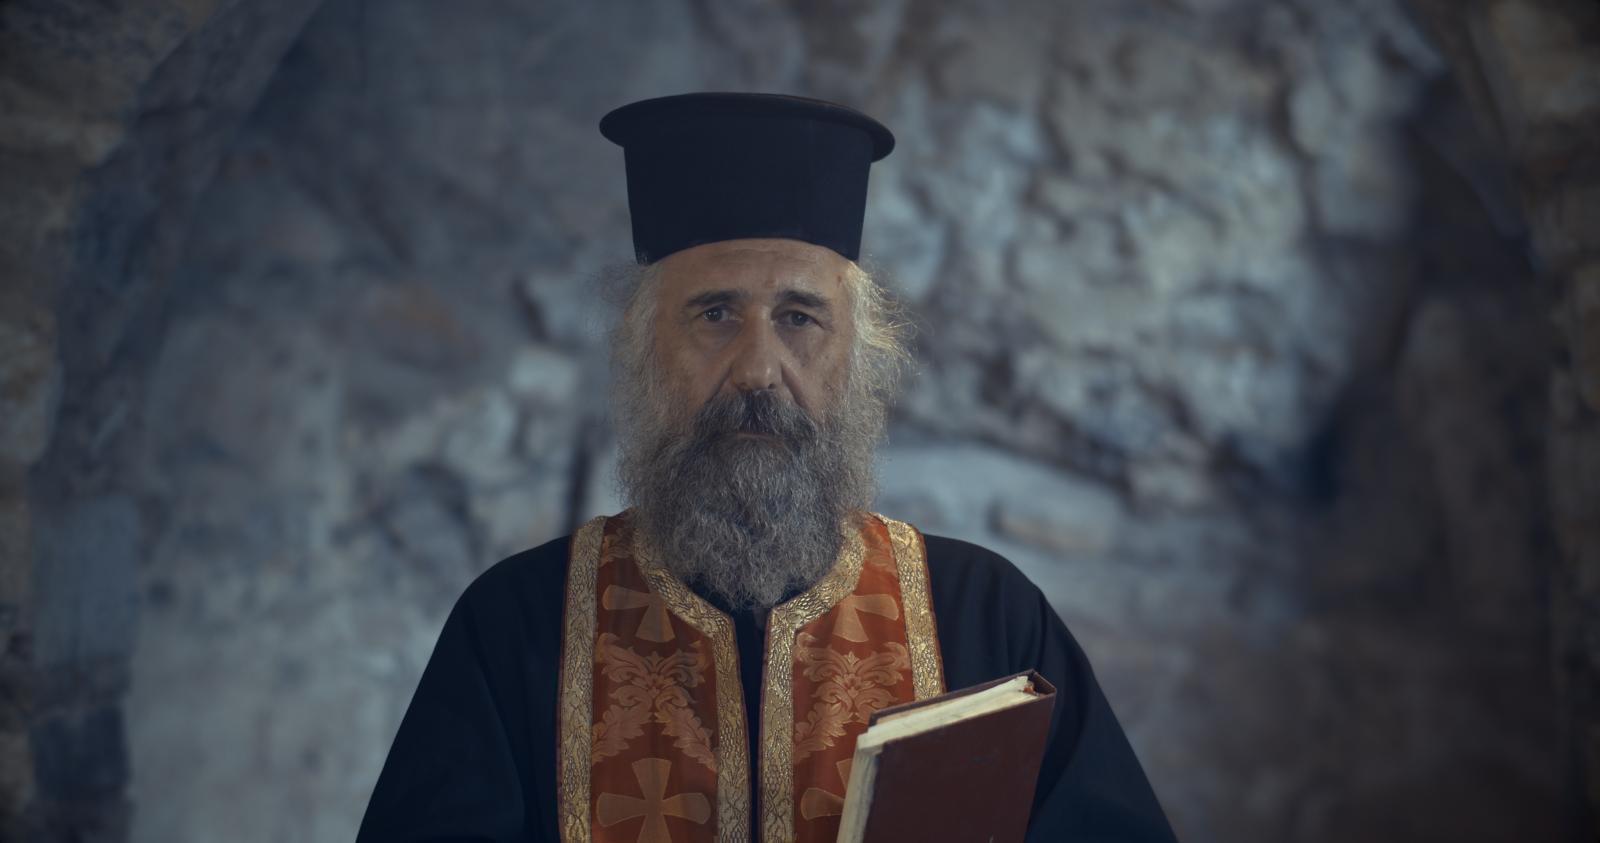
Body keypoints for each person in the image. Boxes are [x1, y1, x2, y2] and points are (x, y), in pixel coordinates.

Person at [356, 93, 1177, 843]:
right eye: (715, 314)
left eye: (799, 317)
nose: (757, 369)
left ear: (857, 360)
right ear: (646, 352)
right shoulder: (516, 626)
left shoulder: (987, 617)